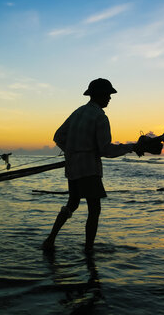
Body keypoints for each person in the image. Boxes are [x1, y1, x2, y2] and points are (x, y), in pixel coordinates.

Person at [42, 78, 138, 253]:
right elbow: (106, 150)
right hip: (88, 169)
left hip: (72, 168)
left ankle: (50, 239)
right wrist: (131, 147)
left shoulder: (78, 112)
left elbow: (58, 136)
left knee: (72, 203)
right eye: (108, 94)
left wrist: (72, 151)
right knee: (95, 209)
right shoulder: (100, 117)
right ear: (100, 95)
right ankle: (88, 249)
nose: (110, 98)